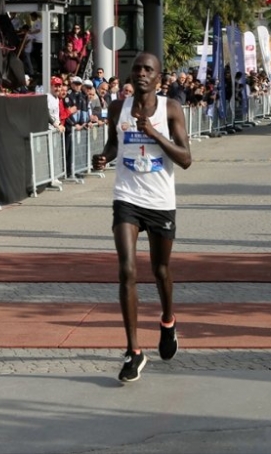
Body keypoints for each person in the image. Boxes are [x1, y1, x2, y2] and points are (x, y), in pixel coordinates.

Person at [91, 52, 193, 383]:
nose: (141, 73)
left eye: (148, 69)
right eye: (136, 69)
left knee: (161, 270)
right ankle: (134, 352)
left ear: (159, 77)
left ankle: (167, 321)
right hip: (127, 198)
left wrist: (154, 134)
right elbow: (113, 143)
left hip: (161, 201)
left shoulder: (171, 109)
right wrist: (104, 157)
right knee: (127, 270)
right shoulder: (116, 109)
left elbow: (186, 159)